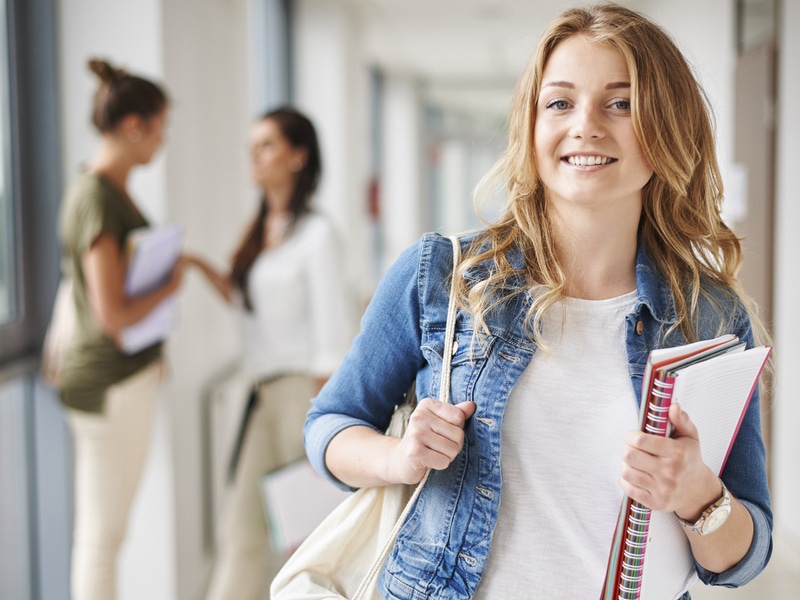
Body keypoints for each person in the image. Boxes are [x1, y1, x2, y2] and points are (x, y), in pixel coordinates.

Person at [303, 4, 773, 599]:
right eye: (560, 102)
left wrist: (698, 496)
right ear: (530, 124)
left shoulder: (709, 315)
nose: (586, 125)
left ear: (668, 126)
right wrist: (402, 458)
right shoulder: (445, 275)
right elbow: (330, 427)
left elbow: (746, 555)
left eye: (620, 103)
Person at [193, 107, 353, 600]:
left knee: (309, 539)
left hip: (302, 396)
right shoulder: (262, 228)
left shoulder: (317, 235)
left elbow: (334, 331)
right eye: (251, 146)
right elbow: (250, 302)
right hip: (259, 396)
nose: (253, 156)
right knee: (241, 532)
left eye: (265, 145)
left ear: (297, 157)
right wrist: (195, 265)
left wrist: (324, 421)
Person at [57, 59, 191, 600]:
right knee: (102, 537)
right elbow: (113, 314)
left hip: (116, 379)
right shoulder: (97, 198)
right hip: (110, 383)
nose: (161, 141)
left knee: (104, 531)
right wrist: (170, 284)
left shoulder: (106, 192)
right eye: (160, 127)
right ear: (135, 126)